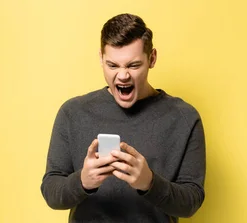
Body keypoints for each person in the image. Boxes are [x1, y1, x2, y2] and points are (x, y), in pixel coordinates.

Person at [40, 13, 206, 223]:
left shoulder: (184, 118)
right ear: (100, 58)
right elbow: (51, 192)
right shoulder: (72, 113)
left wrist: (149, 183)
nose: (123, 75)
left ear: (152, 58)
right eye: (113, 65)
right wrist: (83, 181)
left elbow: (192, 201)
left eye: (133, 65)